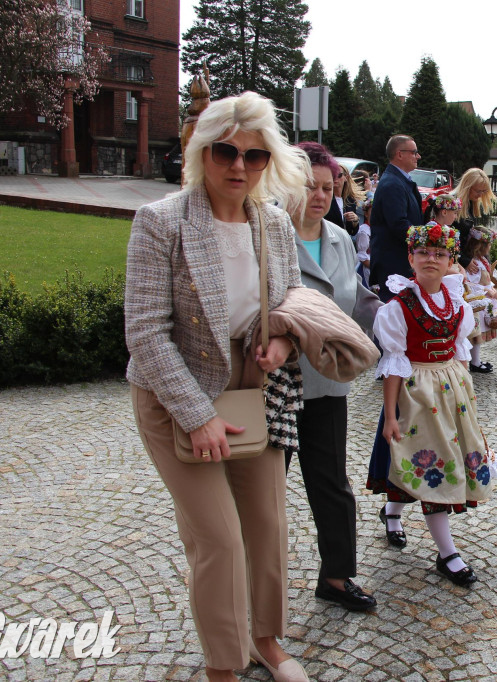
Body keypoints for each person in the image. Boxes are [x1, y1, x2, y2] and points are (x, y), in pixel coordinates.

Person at [125, 91, 313, 682]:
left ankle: (265, 640)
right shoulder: (161, 222)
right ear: (201, 151)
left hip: (253, 387)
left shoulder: (275, 223)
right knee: (220, 539)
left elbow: (290, 305)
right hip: (174, 388)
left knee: (267, 523)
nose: (239, 167)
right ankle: (222, 667)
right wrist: (195, 415)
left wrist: (283, 343)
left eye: (254, 157)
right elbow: (146, 334)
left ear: (268, 163)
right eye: (226, 152)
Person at [367, 223, 494, 587]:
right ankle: (447, 553)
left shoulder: (456, 303)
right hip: (416, 395)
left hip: (450, 391)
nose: (431, 260)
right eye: (423, 253)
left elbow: (461, 353)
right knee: (427, 462)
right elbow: (392, 365)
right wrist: (390, 416)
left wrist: (465, 400)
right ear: (410, 257)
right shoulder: (398, 307)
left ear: (452, 261)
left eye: (440, 254)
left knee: (422, 462)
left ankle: (391, 513)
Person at [287, 142, 382, 611]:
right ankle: (250, 579)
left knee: (331, 482)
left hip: (326, 381)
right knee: (262, 491)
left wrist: (398, 317)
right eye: (310, 185)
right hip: (275, 384)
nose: (321, 195)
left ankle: (337, 577)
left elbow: (357, 298)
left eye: (329, 186)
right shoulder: (266, 234)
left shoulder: (340, 238)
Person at [369, 135, 423, 301]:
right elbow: (399, 224)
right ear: (400, 154)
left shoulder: (399, 180)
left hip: (399, 261)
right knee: (395, 314)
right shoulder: (392, 183)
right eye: (414, 152)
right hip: (394, 264)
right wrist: (428, 237)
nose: (418, 156)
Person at [461, 223, 497, 373]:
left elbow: (486, 278)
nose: (490, 247)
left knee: (478, 335)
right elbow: (470, 283)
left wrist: (492, 286)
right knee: (476, 334)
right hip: (480, 302)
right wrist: (487, 290)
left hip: (486, 300)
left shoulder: (481, 260)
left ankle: (475, 360)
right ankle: (474, 362)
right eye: (488, 244)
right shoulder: (474, 263)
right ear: (480, 245)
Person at [451, 168, 497, 270]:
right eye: (478, 191)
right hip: (454, 260)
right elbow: (447, 238)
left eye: (483, 191)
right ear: (467, 186)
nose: (480, 194)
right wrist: (464, 260)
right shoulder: (453, 204)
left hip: (460, 257)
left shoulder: (470, 203)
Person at [326, 164, 363, 236]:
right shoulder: (326, 198)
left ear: (346, 178)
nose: (335, 178)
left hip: (344, 242)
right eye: (333, 175)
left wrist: (355, 220)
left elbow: (352, 232)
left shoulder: (350, 201)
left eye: (339, 175)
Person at [355, 195, 373, 288]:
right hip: (368, 269)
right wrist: (375, 267)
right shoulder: (364, 231)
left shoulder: (376, 229)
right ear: (366, 214)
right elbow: (362, 256)